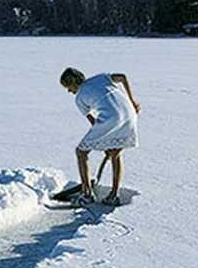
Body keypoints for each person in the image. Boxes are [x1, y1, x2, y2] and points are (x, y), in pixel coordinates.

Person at [60, 67, 140, 206]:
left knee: (81, 152)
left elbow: (94, 123)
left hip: (111, 118)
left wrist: (103, 142)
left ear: (73, 82)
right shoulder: (101, 77)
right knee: (115, 154)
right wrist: (132, 101)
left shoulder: (79, 98)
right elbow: (122, 76)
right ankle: (114, 195)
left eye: (68, 87)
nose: (69, 91)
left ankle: (86, 194)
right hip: (130, 114)